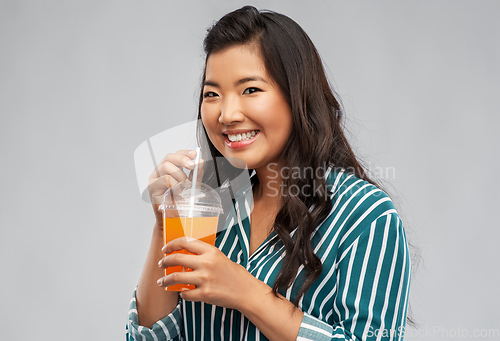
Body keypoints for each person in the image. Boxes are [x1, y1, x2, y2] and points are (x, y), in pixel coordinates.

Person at [127, 6, 411, 341]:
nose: (227, 114)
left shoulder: (365, 217)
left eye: (250, 90)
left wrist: (245, 292)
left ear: (297, 96)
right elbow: (149, 339)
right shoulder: (208, 200)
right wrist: (164, 223)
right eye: (212, 94)